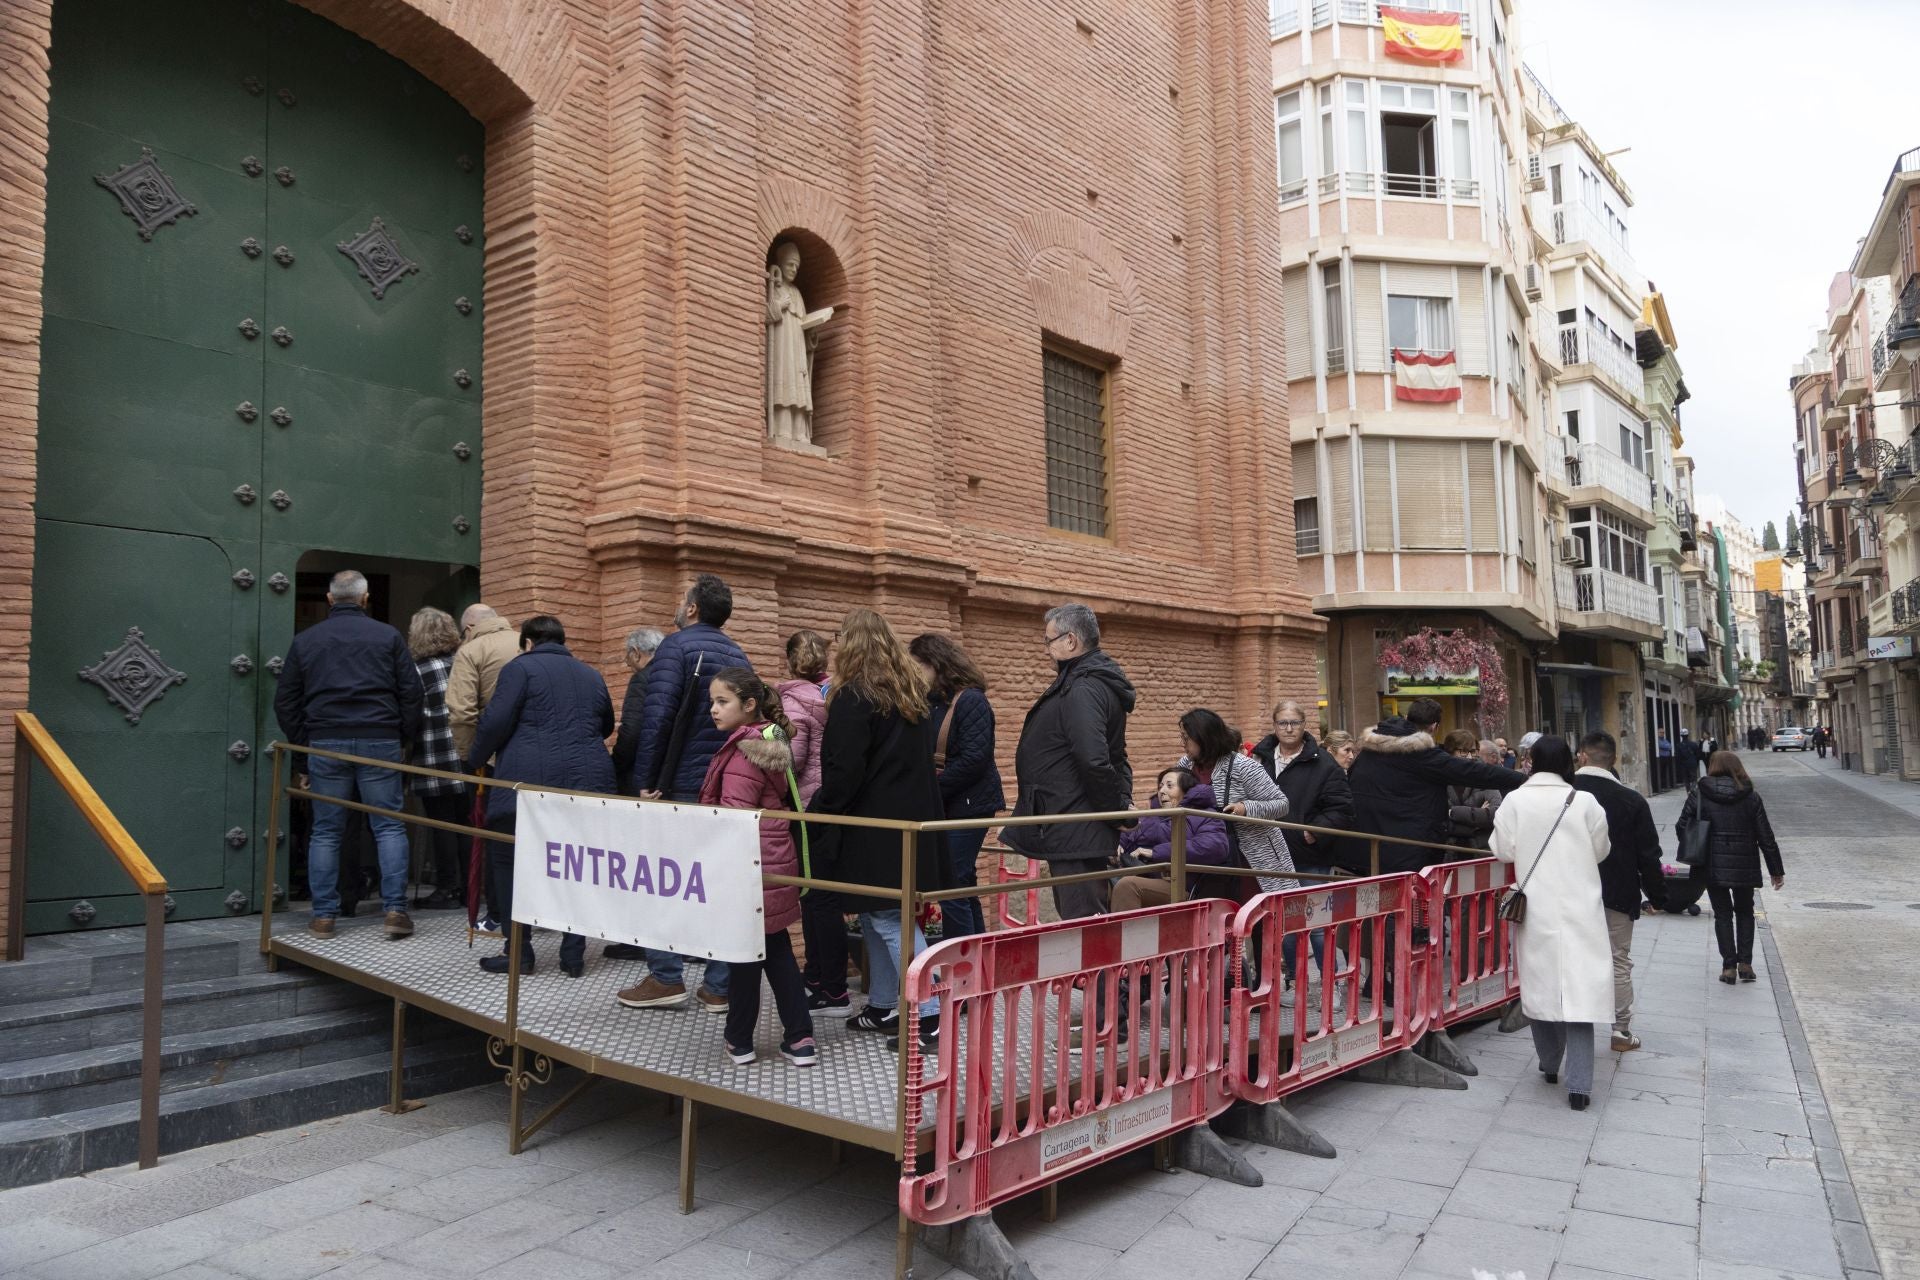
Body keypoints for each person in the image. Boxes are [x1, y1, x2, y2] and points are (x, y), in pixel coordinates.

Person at [807, 608, 946, 1051]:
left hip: (873, 824)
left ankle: (931, 1014)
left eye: (838, 638)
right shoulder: (909, 695)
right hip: (906, 821)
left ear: (851, 644)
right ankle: (886, 1005)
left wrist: (822, 809)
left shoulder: (854, 697)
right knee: (875, 914)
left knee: (888, 918)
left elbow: (843, 769)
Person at [618, 573, 750, 1010]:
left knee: (661, 883)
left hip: (679, 786)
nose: (679, 605)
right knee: (715, 886)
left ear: (692, 608)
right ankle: (719, 985)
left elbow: (657, 720)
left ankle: (665, 977)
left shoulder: (676, 647)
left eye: (683, 599)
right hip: (725, 785)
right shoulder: (736, 652)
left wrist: (646, 781)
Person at [273, 570, 424, 941]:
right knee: (388, 825)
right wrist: (403, 738)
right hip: (380, 739)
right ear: (365, 598)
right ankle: (394, 910)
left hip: (326, 740)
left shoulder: (306, 640)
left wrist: (304, 747)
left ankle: (324, 916)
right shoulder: (387, 636)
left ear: (329, 599)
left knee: (326, 830)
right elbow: (411, 693)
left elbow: (286, 702)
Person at [677, 667, 816, 1065]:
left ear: (749, 704)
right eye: (712, 702)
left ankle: (740, 1039)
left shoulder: (742, 752)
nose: (713, 710)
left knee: (745, 953)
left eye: (723, 702)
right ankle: (799, 1038)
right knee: (776, 949)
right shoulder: (766, 742)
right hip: (773, 858)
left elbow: (733, 817)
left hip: (748, 862)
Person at [465, 615, 615, 977]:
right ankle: (573, 954)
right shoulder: (591, 674)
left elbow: (495, 721)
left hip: (528, 783)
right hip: (587, 782)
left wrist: (473, 762)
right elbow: (606, 724)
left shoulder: (521, 669)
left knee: (510, 861)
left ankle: (519, 952)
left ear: (528, 643)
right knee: (576, 864)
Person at [1490, 735, 1612, 1112]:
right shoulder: (1586, 801)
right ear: (1568, 763)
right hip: (1581, 906)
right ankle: (1580, 1085)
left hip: (1536, 908)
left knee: (1540, 985)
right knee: (1581, 994)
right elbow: (1601, 849)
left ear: (1531, 761)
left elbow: (1502, 850)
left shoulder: (1515, 800)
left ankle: (1547, 1062)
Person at [1001, 603, 1136, 922]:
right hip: (1072, 823)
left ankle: (1097, 976)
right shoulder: (1084, 683)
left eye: (1049, 641)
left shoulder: (1083, 688)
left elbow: (1095, 758)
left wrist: (1115, 808)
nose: (1046, 649)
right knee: (1081, 923)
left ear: (1071, 641)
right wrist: (1118, 804)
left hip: (1076, 825)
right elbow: (1114, 756)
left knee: (1083, 925)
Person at [1347, 698, 1524, 873]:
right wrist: (1523, 779)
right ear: (1434, 727)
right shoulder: (1422, 756)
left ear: (1408, 717)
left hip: (1363, 850)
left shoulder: (1369, 751)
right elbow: (1473, 772)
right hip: (1405, 854)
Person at [1573, 731, 1667, 1052]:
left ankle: (1573, 1025)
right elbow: (1649, 855)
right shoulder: (1632, 800)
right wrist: (1657, 896)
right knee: (1618, 960)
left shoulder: (1564, 793)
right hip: (1617, 892)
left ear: (1581, 755)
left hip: (1569, 893)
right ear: (1613, 760)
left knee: (1571, 958)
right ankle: (1621, 1032)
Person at [910, 633, 1005, 941]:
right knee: (961, 879)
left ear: (936, 664)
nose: (915, 673)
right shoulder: (933, 702)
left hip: (971, 802)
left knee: (950, 883)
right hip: (949, 801)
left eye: (919, 666)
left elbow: (975, 759)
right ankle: (979, 956)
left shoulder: (971, 700)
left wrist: (932, 788)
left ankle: (961, 964)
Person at [1677, 751, 1785, 985]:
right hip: (1744, 863)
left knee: (1722, 914)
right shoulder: (1751, 796)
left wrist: (1700, 844)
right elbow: (1766, 835)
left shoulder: (1700, 793)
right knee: (1745, 911)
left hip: (1712, 863)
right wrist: (1776, 869)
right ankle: (1745, 963)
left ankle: (1728, 967)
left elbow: (1682, 826)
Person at [446, 602, 522, 934]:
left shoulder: (471, 650)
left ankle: (498, 915)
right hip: (535, 759)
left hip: (494, 761)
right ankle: (531, 912)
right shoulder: (527, 642)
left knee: (495, 837)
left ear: (468, 629)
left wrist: (471, 757)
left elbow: (462, 713)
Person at [406, 607, 469, 911]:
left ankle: (447, 888)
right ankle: (470, 887)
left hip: (433, 756)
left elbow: (411, 715)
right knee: (466, 824)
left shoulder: (415, 670)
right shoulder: (465, 663)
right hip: (468, 756)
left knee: (441, 824)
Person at [1251, 700, 1355, 876]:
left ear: (1304, 725)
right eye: (1283, 723)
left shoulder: (1324, 763)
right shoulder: (1259, 758)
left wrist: (1313, 832)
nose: (1289, 729)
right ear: (1275, 726)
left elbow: (1342, 809)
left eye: (1295, 723)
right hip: (1263, 855)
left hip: (1307, 858)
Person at [1111, 767, 1233, 911]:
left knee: (1128, 886)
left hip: (1179, 884)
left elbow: (1214, 847)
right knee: (1094, 883)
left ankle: (1126, 934)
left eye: (1169, 786)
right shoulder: (1152, 816)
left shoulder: (1205, 816)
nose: (1162, 791)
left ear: (1186, 790)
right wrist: (1116, 845)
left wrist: (1155, 852)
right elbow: (1128, 835)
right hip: (1142, 875)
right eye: (1160, 786)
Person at [609, 626, 667, 788]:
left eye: (627, 656)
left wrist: (615, 765)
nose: (627, 663)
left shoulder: (641, 679)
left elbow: (632, 730)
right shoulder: (676, 674)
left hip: (640, 774)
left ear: (635, 652)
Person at [779, 630, 831, 804]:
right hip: (834, 791)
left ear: (790, 661)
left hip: (807, 799)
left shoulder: (794, 701)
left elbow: (794, 760)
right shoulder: (838, 692)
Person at [1442, 729, 1500, 852]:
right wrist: (1476, 823)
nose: (1469, 757)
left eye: (1473, 751)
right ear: (1449, 752)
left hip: (1481, 851)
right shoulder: (1439, 779)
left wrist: (1452, 812)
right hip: (1447, 852)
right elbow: (1438, 821)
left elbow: (1496, 814)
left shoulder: (1486, 777)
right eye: (1463, 751)